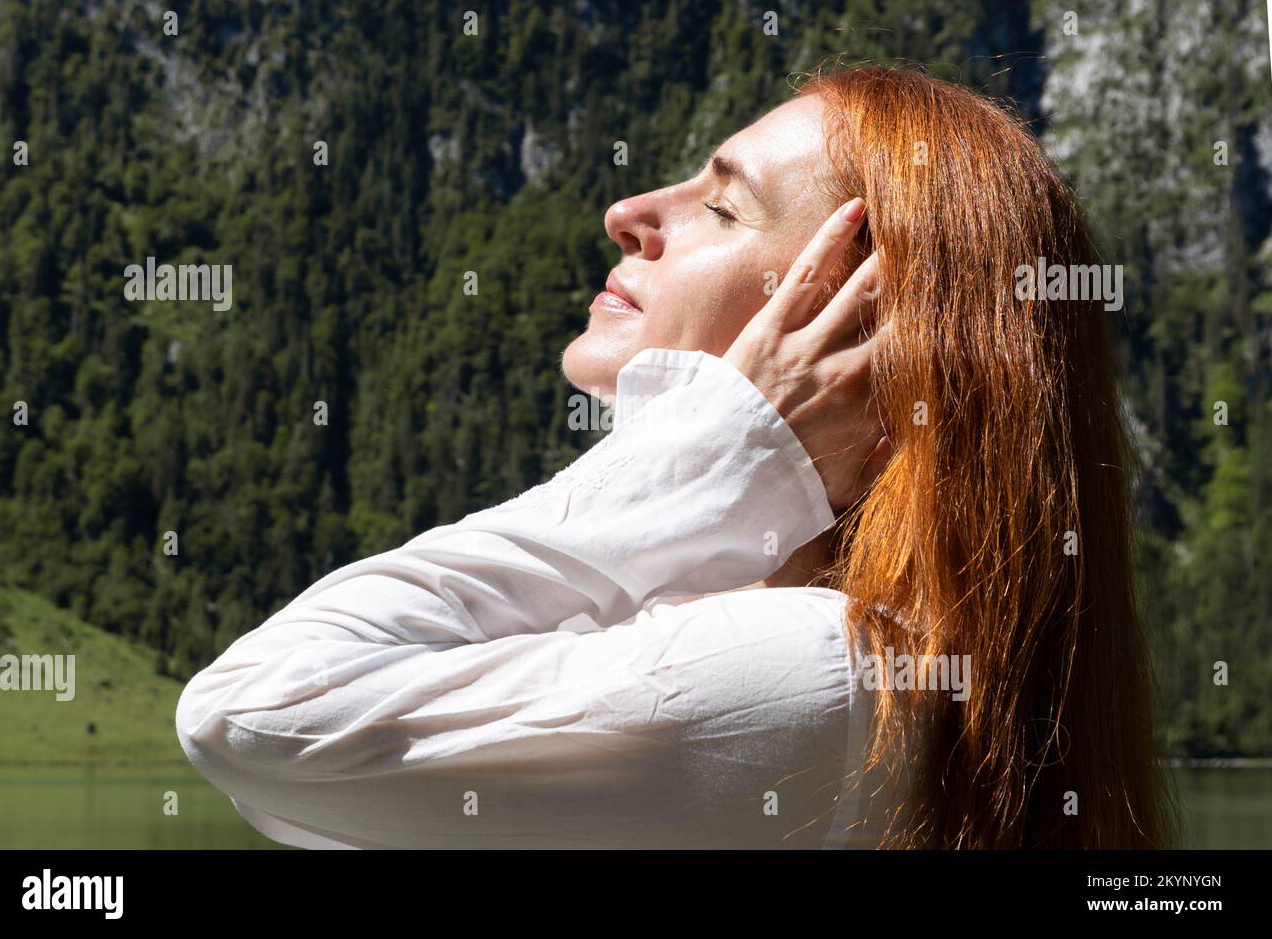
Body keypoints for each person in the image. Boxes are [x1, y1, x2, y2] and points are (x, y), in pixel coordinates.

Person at [176, 63, 1178, 849]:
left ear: (863, 344)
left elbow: (254, 713)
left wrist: (717, 449)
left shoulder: (822, 677)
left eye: (725, 205)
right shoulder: (860, 666)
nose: (629, 212)